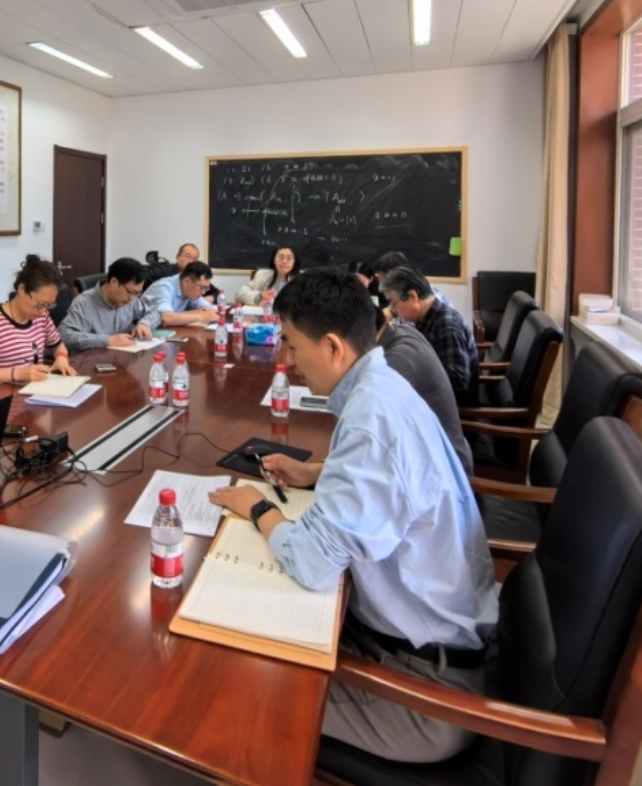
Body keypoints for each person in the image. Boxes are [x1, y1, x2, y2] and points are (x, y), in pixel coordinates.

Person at [208, 269, 496, 764]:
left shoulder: (371, 420)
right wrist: (315, 472)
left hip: (423, 693)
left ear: (333, 347)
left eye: (292, 346)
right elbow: (393, 476)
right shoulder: (382, 386)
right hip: (419, 643)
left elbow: (313, 564)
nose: (287, 361)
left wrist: (257, 507)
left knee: (233, 689)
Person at [375, 307, 473, 474]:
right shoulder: (404, 332)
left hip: (447, 470)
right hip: (444, 452)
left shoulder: (397, 360)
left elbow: (377, 438)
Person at [0, 255, 77, 388]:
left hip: (33, 392)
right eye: (40, 304)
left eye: (49, 305)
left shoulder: (42, 317)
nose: (43, 311)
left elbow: (57, 345)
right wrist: (17, 374)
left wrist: (61, 358)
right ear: (22, 289)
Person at [379, 266, 480, 406]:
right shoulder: (425, 319)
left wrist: (410, 383)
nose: (393, 310)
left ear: (413, 296)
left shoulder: (447, 325)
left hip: (452, 408)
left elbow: (458, 383)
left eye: (393, 303)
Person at [59, 257, 159, 351]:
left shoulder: (131, 300)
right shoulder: (84, 303)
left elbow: (155, 313)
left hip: (122, 357)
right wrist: (107, 340)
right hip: (93, 359)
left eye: (137, 293)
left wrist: (144, 324)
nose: (132, 298)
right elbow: (64, 335)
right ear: (114, 282)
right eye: (130, 292)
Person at [141, 260, 219, 327]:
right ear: (187, 281)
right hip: (142, 331)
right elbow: (166, 318)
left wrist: (207, 313)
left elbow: (208, 309)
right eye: (201, 288)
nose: (203, 292)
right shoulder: (164, 287)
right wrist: (200, 316)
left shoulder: (189, 290)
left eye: (206, 288)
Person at [235, 246, 300, 305]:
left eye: (289, 258)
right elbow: (239, 294)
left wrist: (278, 300)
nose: (284, 261)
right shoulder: (262, 275)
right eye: (281, 257)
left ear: (294, 262)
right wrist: (260, 295)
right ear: (274, 260)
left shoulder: (302, 280)